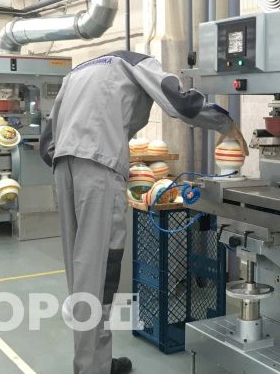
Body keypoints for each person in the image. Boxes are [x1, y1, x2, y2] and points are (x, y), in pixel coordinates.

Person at [40, 50, 248, 374]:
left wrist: (74, 165)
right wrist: (226, 123)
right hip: (99, 168)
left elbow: (46, 144)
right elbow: (179, 103)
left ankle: (96, 361)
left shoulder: (76, 73)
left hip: (62, 168)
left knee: (81, 276)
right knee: (99, 272)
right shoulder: (136, 63)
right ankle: (91, 369)